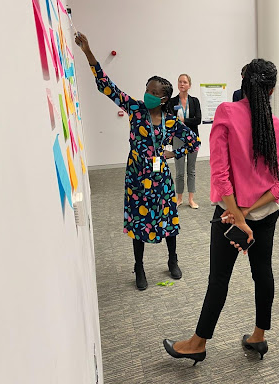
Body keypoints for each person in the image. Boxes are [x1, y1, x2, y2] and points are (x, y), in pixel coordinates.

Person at [163, 59, 279, 365]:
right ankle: (258, 338)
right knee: (263, 273)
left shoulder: (227, 113)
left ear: (244, 84)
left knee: (219, 278)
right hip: (265, 214)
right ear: (272, 89)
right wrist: (247, 212)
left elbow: (220, 174)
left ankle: (198, 343)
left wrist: (237, 213)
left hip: (228, 216)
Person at [75, 33, 201, 290]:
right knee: (138, 223)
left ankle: (172, 259)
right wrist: (88, 51)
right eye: (147, 89)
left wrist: (170, 154)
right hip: (136, 177)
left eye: (154, 93)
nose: (148, 95)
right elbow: (105, 85)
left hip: (161, 179)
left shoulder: (170, 121)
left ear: (164, 99)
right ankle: (139, 267)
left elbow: (192, 142)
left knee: (169, 220)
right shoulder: (135, 109)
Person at [169, 74, 202, 209]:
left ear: (189, 85)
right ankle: (180, 198)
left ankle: (191, 199)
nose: (182, 84)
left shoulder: (194, 101)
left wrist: (183, 121)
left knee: (191, 170)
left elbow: (198, 120)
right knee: (179, 171)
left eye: (185, 82)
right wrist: (183, 121)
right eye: (180, 82)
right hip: (178, 138)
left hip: (193, 138)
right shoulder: (172, 102)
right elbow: (170, 120)